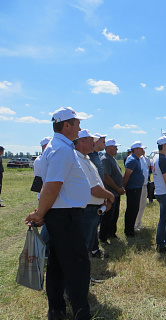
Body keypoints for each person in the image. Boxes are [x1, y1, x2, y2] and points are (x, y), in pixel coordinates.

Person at [25, 106, 92, 320]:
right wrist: (40, 214)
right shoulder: (62, 150)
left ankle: (56, 309)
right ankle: (81, 313)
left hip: (62, 215)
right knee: (78, 266)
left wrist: (43, 212)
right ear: (66, 125)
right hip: (66, 216)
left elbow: (50, 187)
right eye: (77, 123)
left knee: (58, 264)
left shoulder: (56, 147)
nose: (79, 127)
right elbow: (51, 187)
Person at [75, 130, 114, 258]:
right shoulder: (78, 160)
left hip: (93, 207)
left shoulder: (87, 159)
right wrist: (109, 196)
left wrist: (103, 200)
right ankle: (82, 275)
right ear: (82, 141)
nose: (94, 142)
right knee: (82, 246)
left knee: (89, 240)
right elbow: (93, 188)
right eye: (91, 140)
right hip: (87, 208)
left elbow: (97, 183)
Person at [100, 139, 125, 242]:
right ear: (108, 148)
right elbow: (106, 177)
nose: (117, 149)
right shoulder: (105, 159)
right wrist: (117, 189)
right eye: (115, 147)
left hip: (115, 193)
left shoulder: (112, 159)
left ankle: (111, 233)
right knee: (108, 216)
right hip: (111, 192)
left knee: (114, 214)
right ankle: (104, 236)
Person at [32, 137, 52, 252]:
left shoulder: (42, 158)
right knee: (47, 222)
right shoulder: (41, 160)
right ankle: (42, 248)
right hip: (44, 194)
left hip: (44, 194)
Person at [123, 141, 145, 237]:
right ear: (135, 150)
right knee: (131, 210)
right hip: (133, 189)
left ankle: (130, 229)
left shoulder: (136, 159)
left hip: (136, 188)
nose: (142, 150)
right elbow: (127, 175)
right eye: (140, 149)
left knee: (134, 209)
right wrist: (123, 187)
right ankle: (129, 231)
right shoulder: (132, 160)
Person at [134, 144, 150, 231]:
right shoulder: (135, 159)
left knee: (142, 205)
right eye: (142, 149)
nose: (143, 151)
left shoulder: (144, 159)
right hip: (138, 186)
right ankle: (134, 224)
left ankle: (138, 223)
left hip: (144, 185)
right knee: (137, 205)